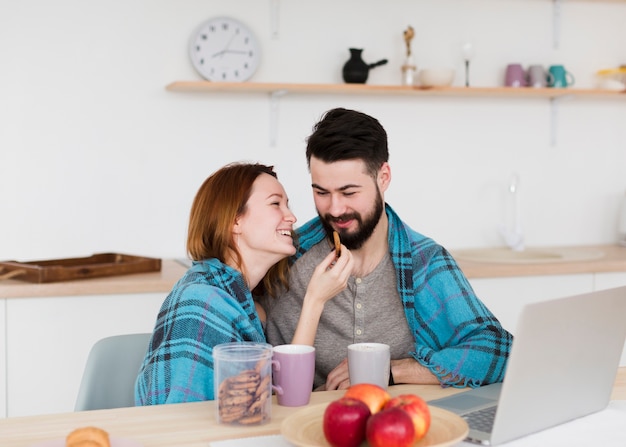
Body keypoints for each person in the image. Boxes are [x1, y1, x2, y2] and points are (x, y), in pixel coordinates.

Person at [265, 108, 513, 391]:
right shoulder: (286, 257)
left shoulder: (425, 262)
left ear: (383, 177)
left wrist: (390, 370)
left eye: (349, 193)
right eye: (321, 192)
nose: (334, 209)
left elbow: (499, 352)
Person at [135, 162, 353, 405]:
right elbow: (180, 422)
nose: (291, 217)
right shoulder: (201, 303)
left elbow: (270, 401)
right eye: (275, 204)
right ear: (235, 222)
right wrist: (315, 299)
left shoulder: (248, 306)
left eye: (287, 205)